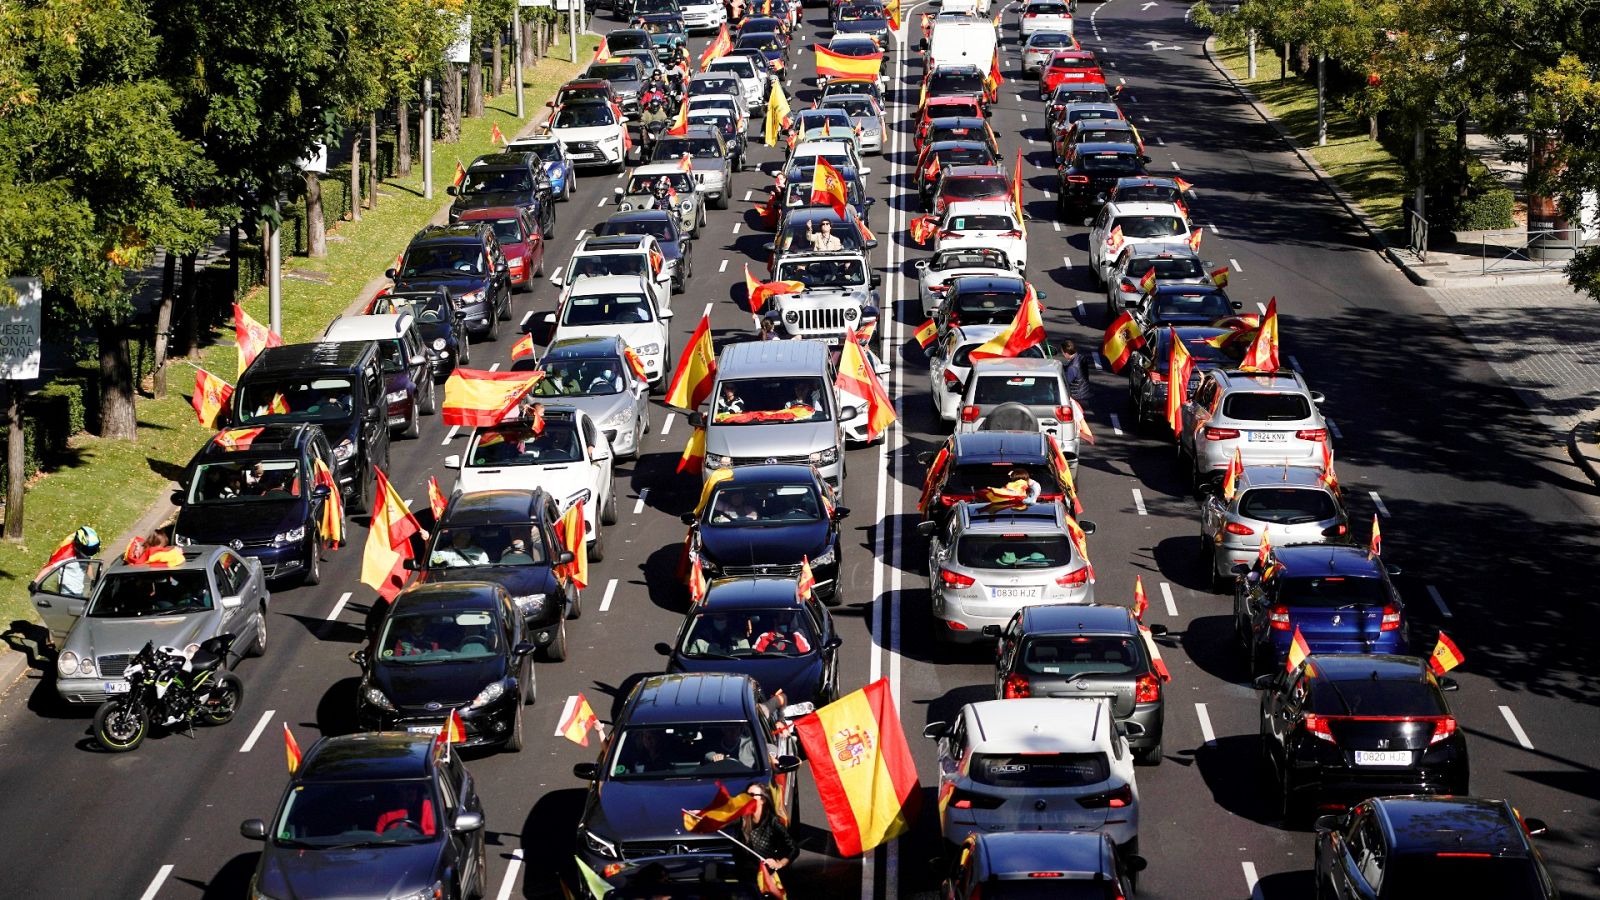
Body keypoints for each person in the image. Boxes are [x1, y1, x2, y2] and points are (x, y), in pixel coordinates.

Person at [738, 783, 798, 886]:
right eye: (746, 795)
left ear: (763, 800)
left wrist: (779, 864)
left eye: (752, 795)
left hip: (770, 876)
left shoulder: (773, 822)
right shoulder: (742, 818)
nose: (748, 798)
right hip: (748, 876)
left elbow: (793, 849)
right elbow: (722, 818)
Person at [58, 526, 101, 598]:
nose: (90, 553)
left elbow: (88, 564)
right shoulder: (66, 555)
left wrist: (92, 579)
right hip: (66, 592)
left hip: (79, 591)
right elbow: (51, 566)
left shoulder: (87, 551)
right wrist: (36, 583)